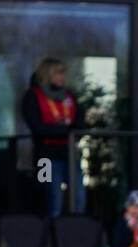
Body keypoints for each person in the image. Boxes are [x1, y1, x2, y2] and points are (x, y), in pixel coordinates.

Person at [21, 56, 84, 218]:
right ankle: (49, 237)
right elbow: (38, 128)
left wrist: (62, 130)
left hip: (69, 154)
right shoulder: (32, 97)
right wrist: (65, 130)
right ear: (47, 75)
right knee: (50, 197)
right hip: (45, 157)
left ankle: (78, 234)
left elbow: (80, 124)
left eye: (63, 74)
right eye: (57, 74)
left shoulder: (70, 97)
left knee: (79, 197)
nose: (62, 77)